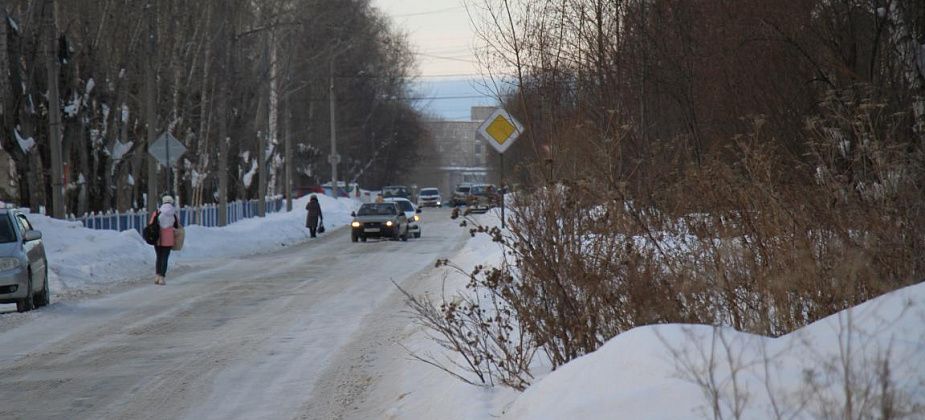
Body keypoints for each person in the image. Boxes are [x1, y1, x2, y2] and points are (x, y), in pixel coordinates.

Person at [150, 195, 180, 285]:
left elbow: (151, 223)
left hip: (158, 238)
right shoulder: (173, 214)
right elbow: (177, 225)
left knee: (158, 257)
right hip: (168, 239)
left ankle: (157, 276)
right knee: (165, 258)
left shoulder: (157, 212)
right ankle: (162, 277)